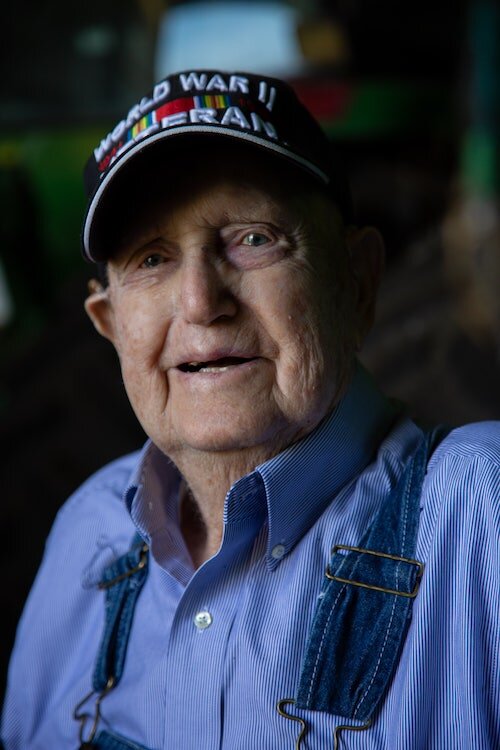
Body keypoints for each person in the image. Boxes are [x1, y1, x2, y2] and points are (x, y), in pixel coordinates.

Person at [2, 69, 500, 750]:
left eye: (254, 239)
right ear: (110, 324)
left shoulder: (482, 506)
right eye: (153, 258)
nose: (203, 302)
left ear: (359, 282)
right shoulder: (90, 536)